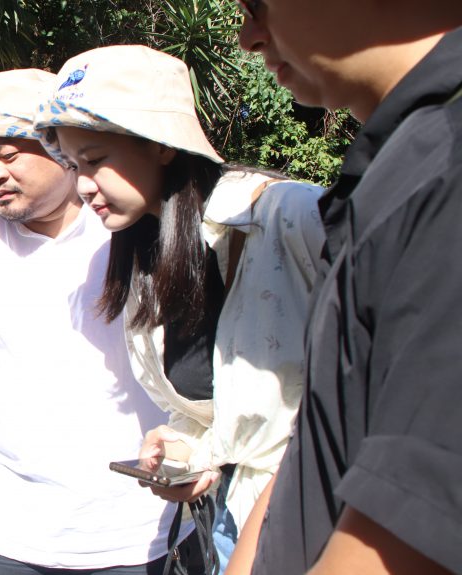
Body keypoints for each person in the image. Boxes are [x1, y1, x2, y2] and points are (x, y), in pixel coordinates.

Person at [33, 45, 325, 572]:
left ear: (161, 145)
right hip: (226, 521)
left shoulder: (287, 216)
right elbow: (225, 412)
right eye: (74, 164)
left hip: (314, 521)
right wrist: (188, 447)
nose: (82, 184)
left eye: (96, 160)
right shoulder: (145, 254)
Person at [0, 68, 200, 574]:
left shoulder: (133, 230)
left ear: (61, 146)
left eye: (9, 153)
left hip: (138, 530)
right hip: (10, 530)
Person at [226, 2, 462, 574]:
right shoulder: (399, 159)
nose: (247, 37)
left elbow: (412, 524)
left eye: (257, 5)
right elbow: (331, 431)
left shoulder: (447, 165)